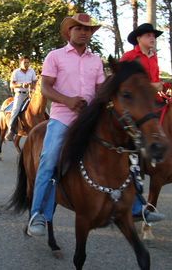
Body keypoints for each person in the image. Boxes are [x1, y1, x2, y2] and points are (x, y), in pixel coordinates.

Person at [27, 13, 104, 236]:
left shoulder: (96, 60)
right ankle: (38, 213)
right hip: (62, 117)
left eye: (88, 30)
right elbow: (46, 88)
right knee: (49, 158)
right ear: (68, 31)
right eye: (79, 28)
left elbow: (100, 91)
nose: (84, 32)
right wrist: (68, 101)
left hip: (89, 119)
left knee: (122, 148)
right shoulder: (55, 56)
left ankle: (137, 205)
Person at [120, 23, 166, 223]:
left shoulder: (154, 57)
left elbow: (156, 83)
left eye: (153, 36)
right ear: (139, 39)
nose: (152, 38)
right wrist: (150, 86)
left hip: (153, 103)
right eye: (148, 35)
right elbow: (121, 82)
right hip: (136, 107)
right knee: (133, 149)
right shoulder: (129, 57)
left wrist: (162, 89)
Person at [4, 56, 37, 141]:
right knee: (16, 109)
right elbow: (12, 84)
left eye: (28, 62)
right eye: (25, 62)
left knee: (43, 109)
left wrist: (31, 85)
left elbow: (35, 83)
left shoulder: (31, 71)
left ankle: (48, 126)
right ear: (20, 63)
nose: (26, 64)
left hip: (31, 94)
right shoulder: (16, 72)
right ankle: (11, 131)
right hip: (20, 94)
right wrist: (21, 85)